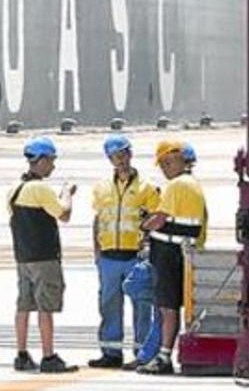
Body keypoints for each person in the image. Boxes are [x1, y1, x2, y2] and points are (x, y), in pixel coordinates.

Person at [88, 134, 160, 370]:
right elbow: (98, 220)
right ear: (109, 159)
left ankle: (142, 352)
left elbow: (154, 219)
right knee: (108, 304)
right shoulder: (102, 188)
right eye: (115, 156)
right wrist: (97, 252)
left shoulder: (147, 188)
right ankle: (111, 352)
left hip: (135, 256)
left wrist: (148, 251)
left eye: (123, 154)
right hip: (109, 256)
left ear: (130, 154)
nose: (120, 160)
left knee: (142, 305)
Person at [8, 136, 79, 374]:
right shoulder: (41, 188)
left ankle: (21, 354)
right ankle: (49, 356)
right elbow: (64, 214)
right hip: (45, 258)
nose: (53, 165)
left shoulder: (14, 189)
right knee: (45, 307)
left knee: (23, 306)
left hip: (23, 257)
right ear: (41, 160)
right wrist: (67, 193)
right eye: (51, 160)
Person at [137, 140, 208, 375]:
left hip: (170, 255)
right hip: (183, 254)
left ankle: (163, 356)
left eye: (167, 162)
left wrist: (144, 224)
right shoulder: (193, 185)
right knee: (170, 307)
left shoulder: (176, 185)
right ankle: (160, 352)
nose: (165, 168)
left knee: (167, 307)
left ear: (180, 160)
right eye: (163, 164)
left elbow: (159, 219)